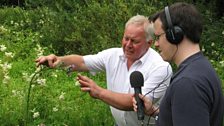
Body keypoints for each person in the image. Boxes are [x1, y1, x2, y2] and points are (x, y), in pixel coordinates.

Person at [36, 15, 172, 126]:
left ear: (149, 43)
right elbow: (82, 61)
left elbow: (135, 103)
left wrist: (99, 92)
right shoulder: (113, 55)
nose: (128, 45)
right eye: (126, 38)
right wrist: (58, 61)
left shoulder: (160, 67)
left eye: (134, 41)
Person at [133, 2, 224, 126]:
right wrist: (155, 111)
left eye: (158, 37)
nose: (156, 44)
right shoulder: (201, 68)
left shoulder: (188, 83)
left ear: (175, 35)